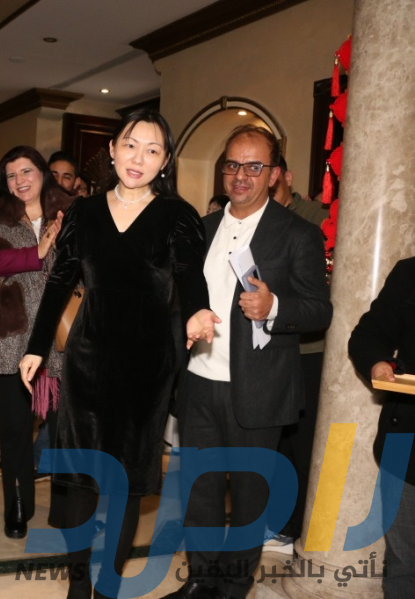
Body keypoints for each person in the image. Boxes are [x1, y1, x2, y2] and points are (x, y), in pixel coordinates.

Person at [20, 109, 218, 599]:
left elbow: (190, 274)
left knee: (125, 480)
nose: (138, 158)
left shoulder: (177, 215)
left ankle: (108, 586)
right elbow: (60, 280)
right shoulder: (84, 212)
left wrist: (198, 310)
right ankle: (78, 586)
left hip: (147, 367)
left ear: (165, 161)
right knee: (78, 477)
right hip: (87, 360)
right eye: (130, 145)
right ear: (111, 150)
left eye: (152, 150)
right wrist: (37, 347)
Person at [166, 125, 333, 599]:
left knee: (248, 495)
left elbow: (319, 311)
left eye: (254, 166)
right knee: (198, 489)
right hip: (198, 381)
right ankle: (200, 580)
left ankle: (234, 587)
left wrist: (274, 306)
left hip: (259, 387)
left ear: (274, 174)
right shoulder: (201, 229)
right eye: (233, 165)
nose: (241, 175)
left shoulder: (298, 233)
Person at [0, 145, 73, 539]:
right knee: (15, 430)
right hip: (9, 338)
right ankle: (17, 506)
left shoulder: (71, 213)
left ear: (43, 173)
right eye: (12, 175)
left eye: (27, 171)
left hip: (61, 337)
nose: (20, 181)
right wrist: (38, 251)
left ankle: (66, 507)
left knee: (65, 431)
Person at [266, 155, 329, 553]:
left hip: (309, 348)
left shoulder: (317, 218)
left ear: (286, 176)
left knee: (304, 441)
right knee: (276, 442)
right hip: (269, 347)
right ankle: (281, 521)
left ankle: (303, 527)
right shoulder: (258, 218)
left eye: (271, 173)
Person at [348, 257, 415, 598]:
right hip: (408, 441)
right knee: (405, 563)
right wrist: (378, 363)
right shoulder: (410, 273)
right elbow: (369, 334)